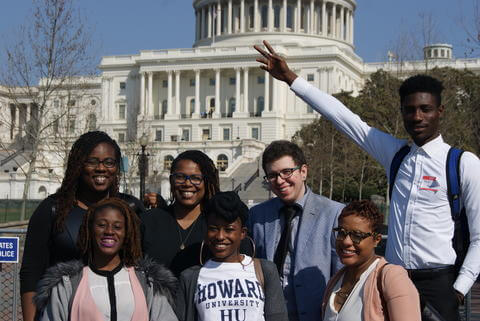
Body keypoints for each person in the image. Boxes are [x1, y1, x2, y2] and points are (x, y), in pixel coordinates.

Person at [254, 40, 480, 321]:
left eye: (425, 109)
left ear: (440, 111)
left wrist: (458, 289)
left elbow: (479, 237)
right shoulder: (396, 155)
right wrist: (290, 78)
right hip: (391, 278)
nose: (417, 117)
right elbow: (345, 119)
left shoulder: (462, 163)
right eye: (410, 110)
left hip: (439, 282)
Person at [20, 131, 145, 321]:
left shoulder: (131, 209)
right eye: (92, 161)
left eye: (109, 162)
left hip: (120, 310)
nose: (101, 168)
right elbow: (31, 272)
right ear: (79, 165)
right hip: (62, 311)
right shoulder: (53, 209)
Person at [34, 197, 178, 321]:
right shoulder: (67, 284)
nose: (109, 231)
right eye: (101, 225)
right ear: (90, 229)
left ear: (127, 233)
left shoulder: (148, 283)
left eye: (117, 227)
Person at [247, 140, 344, 321]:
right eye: (272, 175)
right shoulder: (257, 216)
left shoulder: (333, 213)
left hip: (317, 314)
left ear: (304, 171)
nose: (280, 180)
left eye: (286, 172)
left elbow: (342, 274)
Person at [175, 191, 288, 321]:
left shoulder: (265, 270)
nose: (220, 236)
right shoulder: (190, 278)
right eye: (213, 228)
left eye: (229, 229)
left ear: (242, 233)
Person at [322, 200, 420, 321]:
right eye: (342, 233)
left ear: (377, 239)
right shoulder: (335, 281)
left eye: (357, 235)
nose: (346, 241)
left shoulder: (392, 278)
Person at [141, 150, 220, 276]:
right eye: (180, 177)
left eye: (196, 178)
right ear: (171, 181)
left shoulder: (216, 225)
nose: (187, 184)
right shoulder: (149, 220)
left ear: (207, 182)